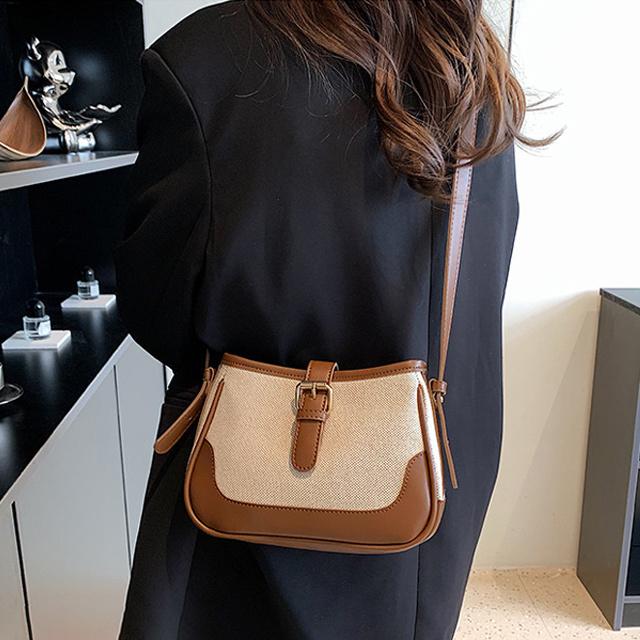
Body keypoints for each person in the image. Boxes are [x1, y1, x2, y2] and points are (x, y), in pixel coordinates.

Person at [115, 1, 551, 638]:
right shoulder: (468, 66)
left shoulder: (202, 57)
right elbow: (481, 287)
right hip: (423, 471)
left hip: (244, 479)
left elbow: (156, 307)